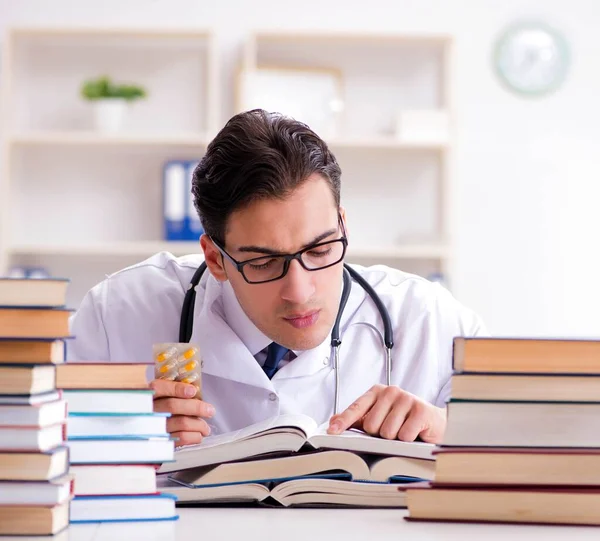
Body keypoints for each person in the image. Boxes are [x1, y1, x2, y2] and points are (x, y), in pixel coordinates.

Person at [69, 109, 486, 447]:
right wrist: (111, 437)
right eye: (264, 263)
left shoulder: (431, 320)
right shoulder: (117, 315)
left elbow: (532, 450)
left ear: (342, 226)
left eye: (320, 250)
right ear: (215, 257)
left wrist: (447, 430)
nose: (300, 291)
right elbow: (24, 444)